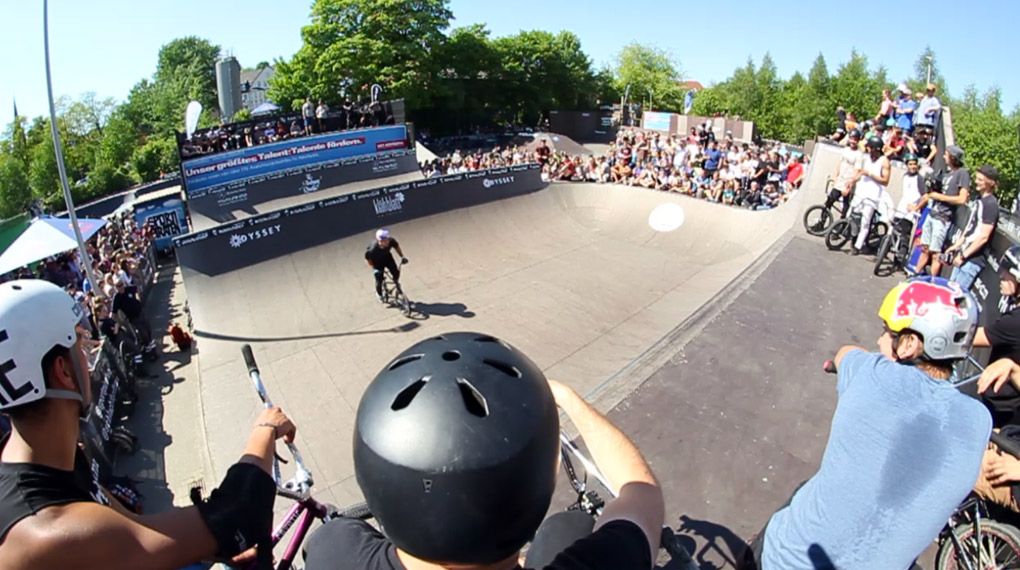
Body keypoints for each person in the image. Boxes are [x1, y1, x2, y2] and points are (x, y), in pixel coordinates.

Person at [0, 279, 296, 570]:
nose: (88, 355)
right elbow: (238, 513)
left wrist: (205, 548)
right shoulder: (51, 534)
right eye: (79, 343)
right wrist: (265, 429)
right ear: (63, 371)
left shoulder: (44, 463)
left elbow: (135, 526)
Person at [302, 333, 664, 570]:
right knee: (569, 527)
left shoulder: (332, 550)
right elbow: (642, 493)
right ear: (540, 482)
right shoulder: (606, 562)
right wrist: (567, 400)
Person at [744, 276, 991, 570]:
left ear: (910, 343)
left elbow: (846, 353)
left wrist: (853, 361)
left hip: (784, 561)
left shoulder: (872, 373)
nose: (879, 340)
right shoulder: (979, 419)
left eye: (888, 332)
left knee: (788, 514)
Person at [967, 245, 1020, 427]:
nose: (1001, 275)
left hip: (1002, 408)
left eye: (1008, 273)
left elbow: (971, 338)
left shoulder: (1015, 322)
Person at [914, 145, 972, 277]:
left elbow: (962, 199)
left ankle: (933, 282)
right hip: (932, 213)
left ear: (952, 157)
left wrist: (939, 196)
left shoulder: (962, 173)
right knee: (925, 248)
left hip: (943, 218)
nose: (944, 156)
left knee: (936, 253)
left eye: (946, 154)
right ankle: (915, 274)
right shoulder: (946, 173)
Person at [944, 164, 1001, 291]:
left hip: (972, 260)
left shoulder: (991, 204)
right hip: (964, 254)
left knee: (956, 295)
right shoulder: (979, 200)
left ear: (990, 183)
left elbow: (983, 237)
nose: (976, 182)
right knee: (949, 291)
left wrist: (963, 255)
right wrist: (956, 245)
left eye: (980, 180)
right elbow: (971, 227)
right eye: (976, 178)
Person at [847, 136, 892, 256]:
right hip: (860, 192)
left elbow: (885, 181)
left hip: (873, 196)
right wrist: (852, 182)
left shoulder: (884, 161)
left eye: (870, 148)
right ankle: (853, 238)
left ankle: (857, 246)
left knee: (865, 222)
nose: (868, 150)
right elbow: (860, 173)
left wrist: (871, 174)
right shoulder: (866, 158)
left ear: (876, 149)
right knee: (853, 216)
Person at [821, 129, 862, 222]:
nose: (853, 141)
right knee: (829, 201)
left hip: (848, 183)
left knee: (845, 205)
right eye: (852, 139)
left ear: (858, 141)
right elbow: (840, 163)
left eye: (855, 139)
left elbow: (857, 171)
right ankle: (821, 222)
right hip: (840, 181)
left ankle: (841, 225)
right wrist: (836, 177)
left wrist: (849, 186)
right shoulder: (845, 150)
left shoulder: (859, 155)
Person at [365, 229, 407, 303]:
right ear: (380, 241)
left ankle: (396, 282)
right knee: (379, 279)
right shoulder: (373, 249)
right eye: (385, 240)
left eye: (387, 239)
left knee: (395, 272)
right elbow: (368, 259)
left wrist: (402, 257)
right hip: (377, 262)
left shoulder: (391, 241)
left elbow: (397, 247)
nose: (387, 241)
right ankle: (379, 294)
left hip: (387, 258)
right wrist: (374, 268)